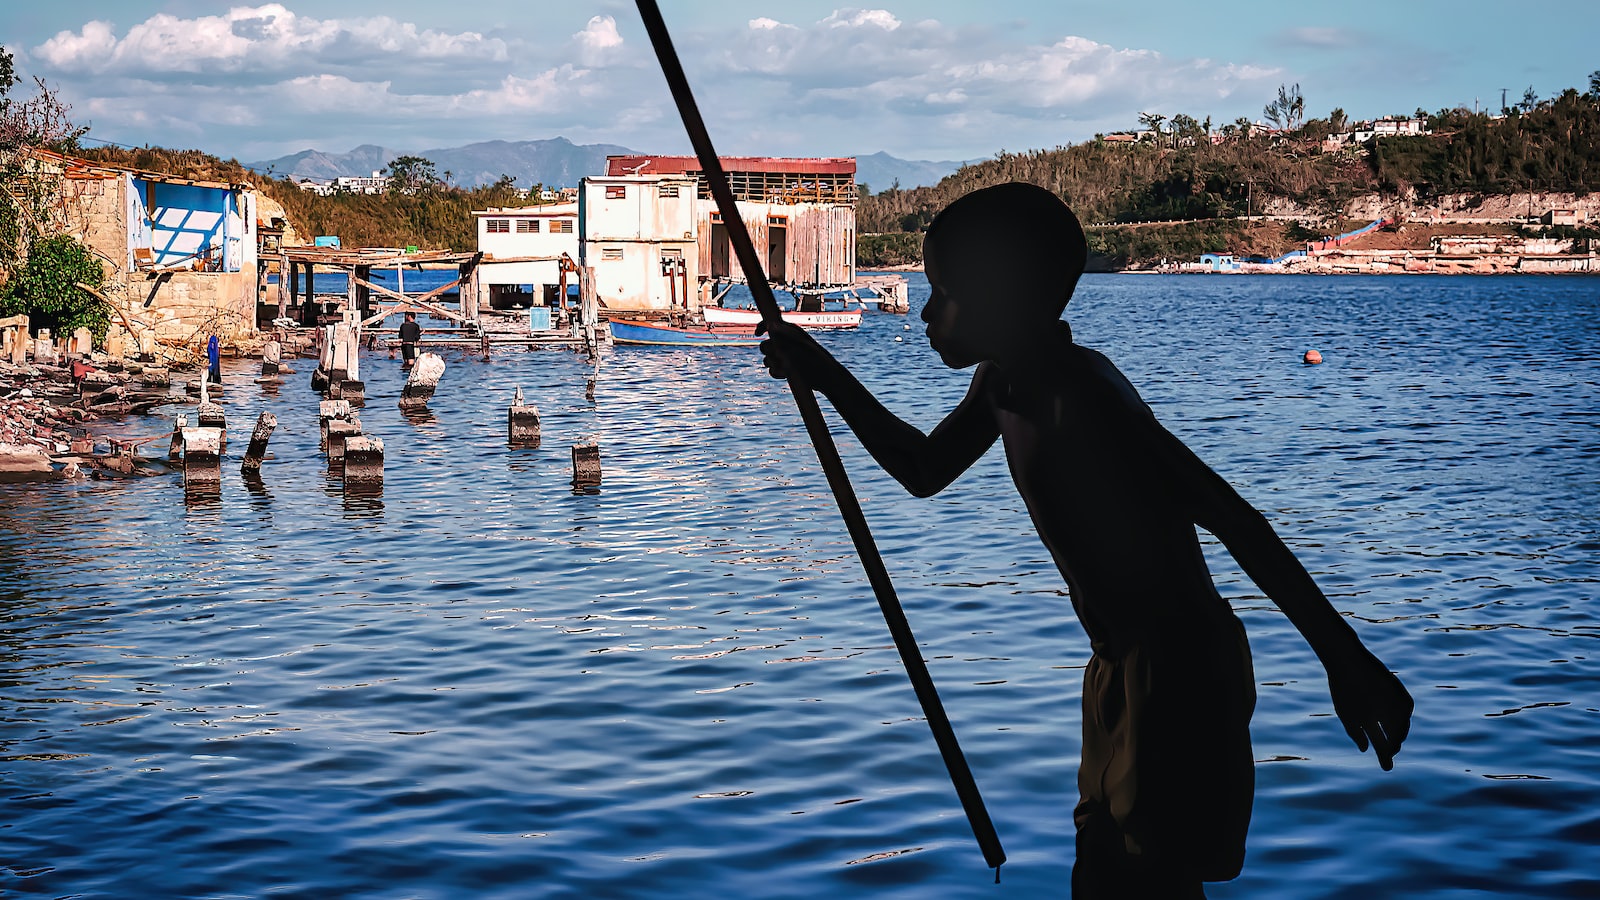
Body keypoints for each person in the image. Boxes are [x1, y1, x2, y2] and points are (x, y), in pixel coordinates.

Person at [758, 183, 1413, 896]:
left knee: (1153, 875)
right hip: (1116, 669)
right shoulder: (1004, 383)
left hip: (1180, 669)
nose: (925, 312)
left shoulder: (1080, 396)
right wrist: (824, 375)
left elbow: (1235, 519)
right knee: (1102, 866)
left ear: (1001, 298)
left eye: (943, 292)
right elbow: (923, 469)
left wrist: (1346, 660)